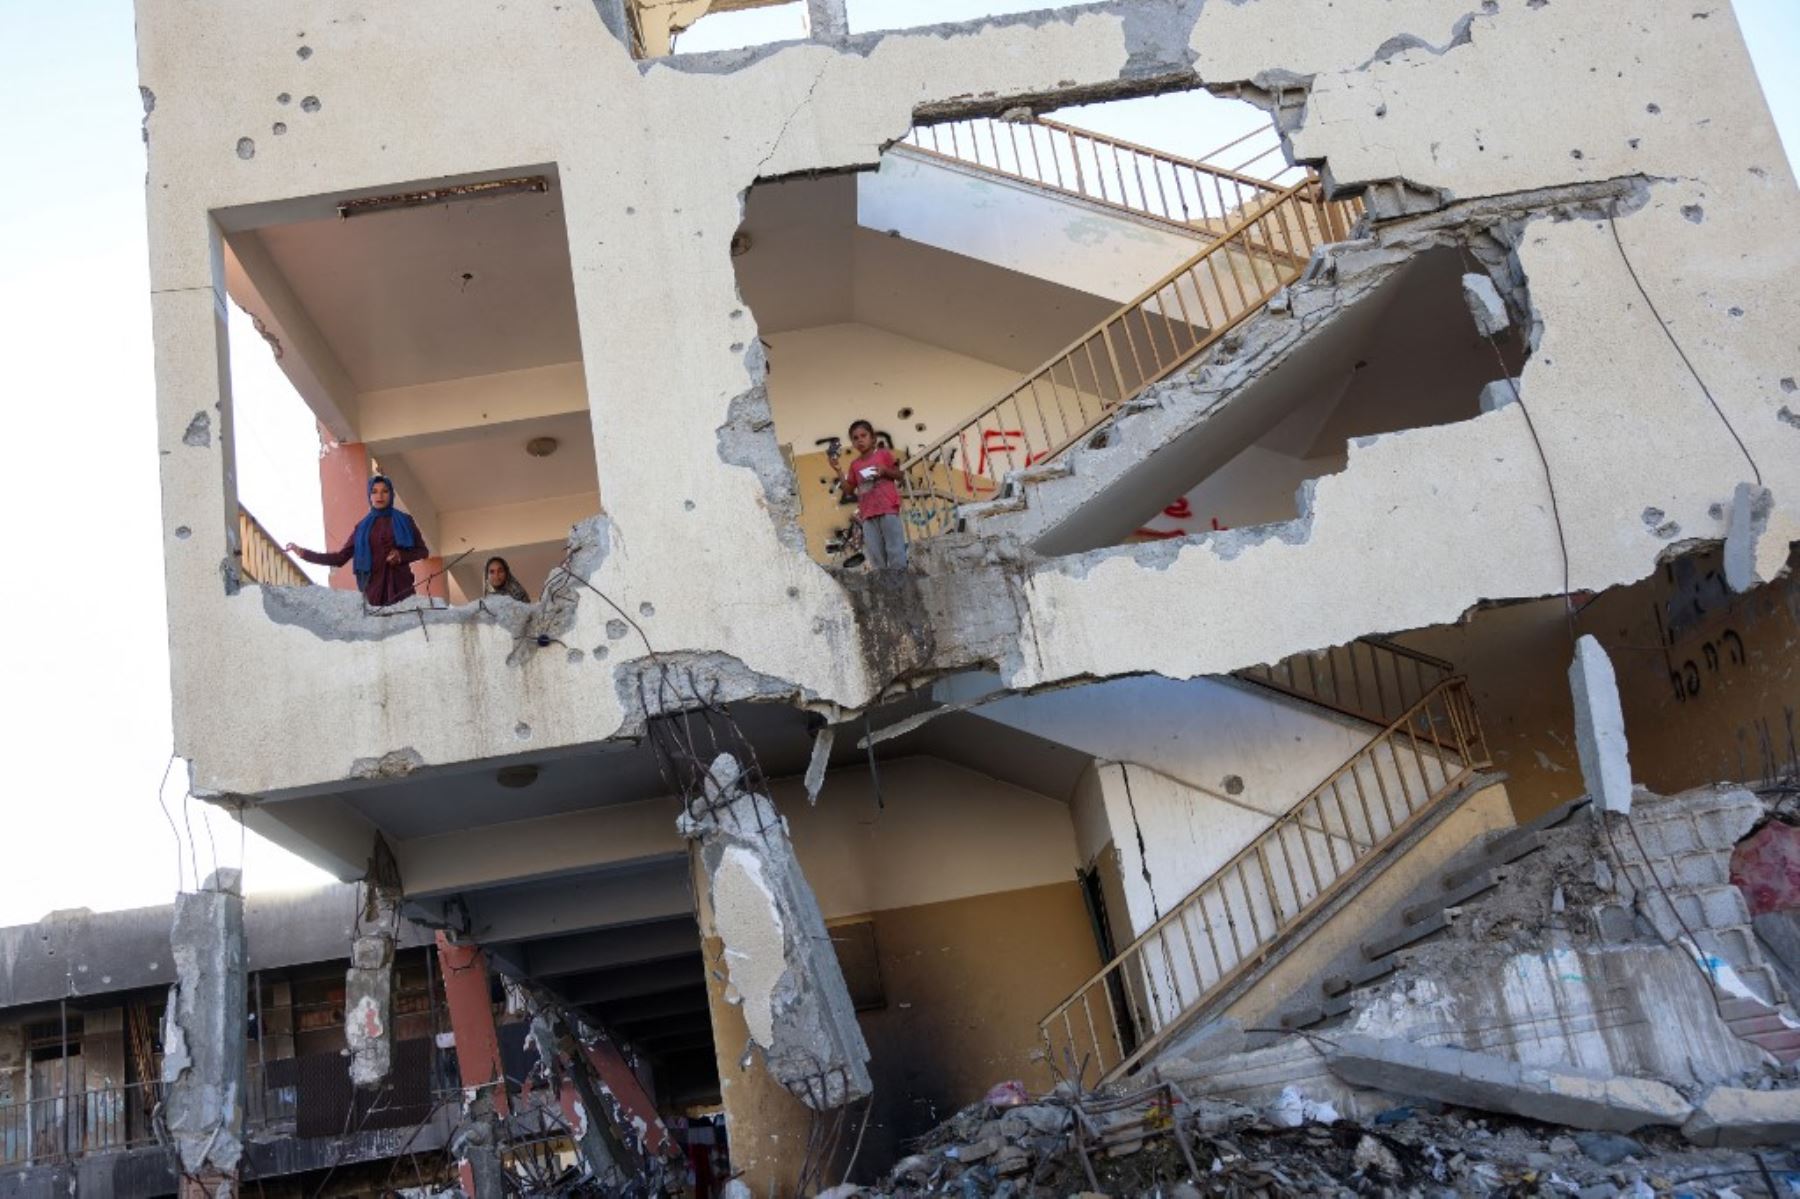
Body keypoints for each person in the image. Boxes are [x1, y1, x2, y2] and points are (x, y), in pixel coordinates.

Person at [285, 475, 429, 606]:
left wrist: (401, 556)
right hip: (374, 592)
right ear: (369, 495)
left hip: (402, 587)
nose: (380, 496)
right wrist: (304, 553)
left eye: (385, 491)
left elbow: (422, 551)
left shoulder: (405, 520)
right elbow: (340, 558)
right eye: (374, 491)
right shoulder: (362, 528)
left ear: (391, 494)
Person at [831, 419, 907, 570]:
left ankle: (901, 583)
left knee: (895, 550)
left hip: (888, 510)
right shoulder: (855, 465)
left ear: (873, 438)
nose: (860, 440)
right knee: (876, 555)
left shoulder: (883, 454)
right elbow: (848, 490)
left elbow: (899, 475)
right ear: (852, 443)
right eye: (855, 438)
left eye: (863, 435)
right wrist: (838, 470)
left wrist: (885, 470)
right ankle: (885, 587)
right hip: (867, 515)